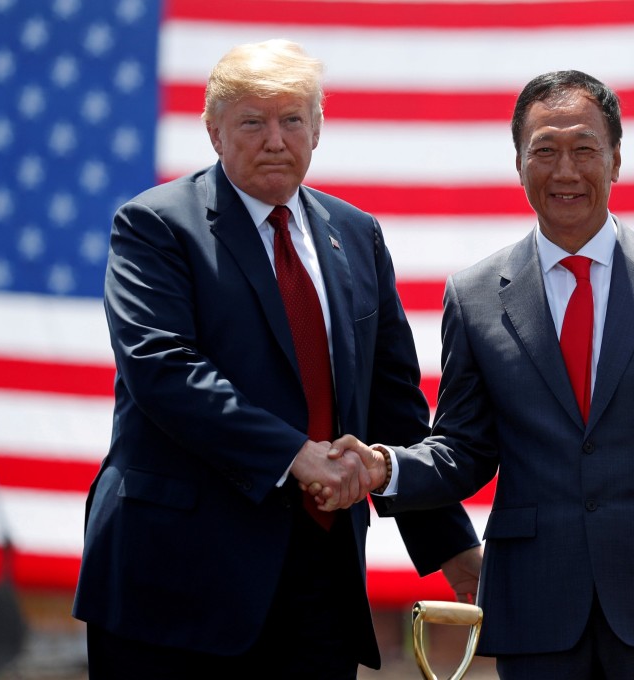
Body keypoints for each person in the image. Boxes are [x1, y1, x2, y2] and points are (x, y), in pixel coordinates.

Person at [318, 70, 634, 679]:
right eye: (545, 151)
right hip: (537, 611)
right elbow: (465, 449)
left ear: (615, 161)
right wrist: (385, 467)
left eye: (585, 149)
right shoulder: (474, 296)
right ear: (518, 163)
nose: (566, 171)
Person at [71, 39, 481, 680]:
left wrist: (454, 548)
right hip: (174, 588)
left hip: (317, 583)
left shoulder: (357, 234)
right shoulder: (154, 226)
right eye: (252, 122)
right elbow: (163, 368)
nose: (274, 139)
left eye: (291, 119)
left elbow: (393, 405)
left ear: (317, 129)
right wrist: (295, 453)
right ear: (214, 132)